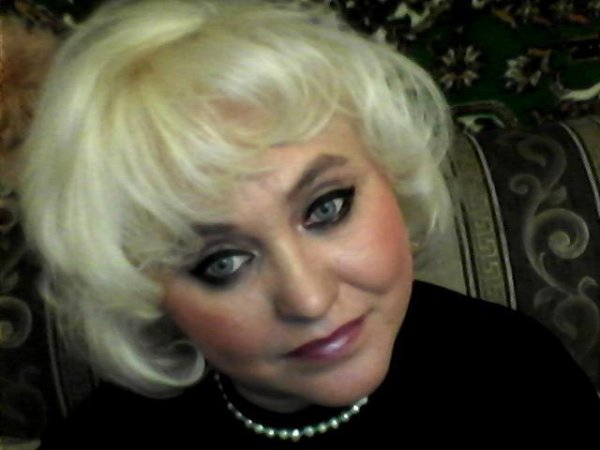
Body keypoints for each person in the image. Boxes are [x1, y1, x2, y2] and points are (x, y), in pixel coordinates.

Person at [19, 0, 600, 448]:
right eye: (221, 262)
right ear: (143, 289)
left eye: (327, 208)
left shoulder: (517, 373)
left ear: (392, 172)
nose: (309, 299)